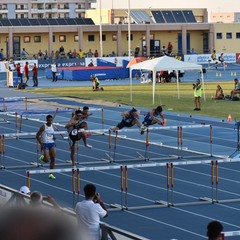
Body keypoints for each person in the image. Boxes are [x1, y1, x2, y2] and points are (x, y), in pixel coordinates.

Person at [36, 115, 57, 179]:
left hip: (52, 143)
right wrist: (41, 144)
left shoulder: (53, 126)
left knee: (53, 158)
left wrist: (54, 137)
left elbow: (52, 134)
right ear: (47, 120)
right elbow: (37, 136)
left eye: (51, 120)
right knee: (47, 160)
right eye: (49, 120)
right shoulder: (43, 127)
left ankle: (51, 173)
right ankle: (42, 158)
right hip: (45, 144)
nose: (50, 122)